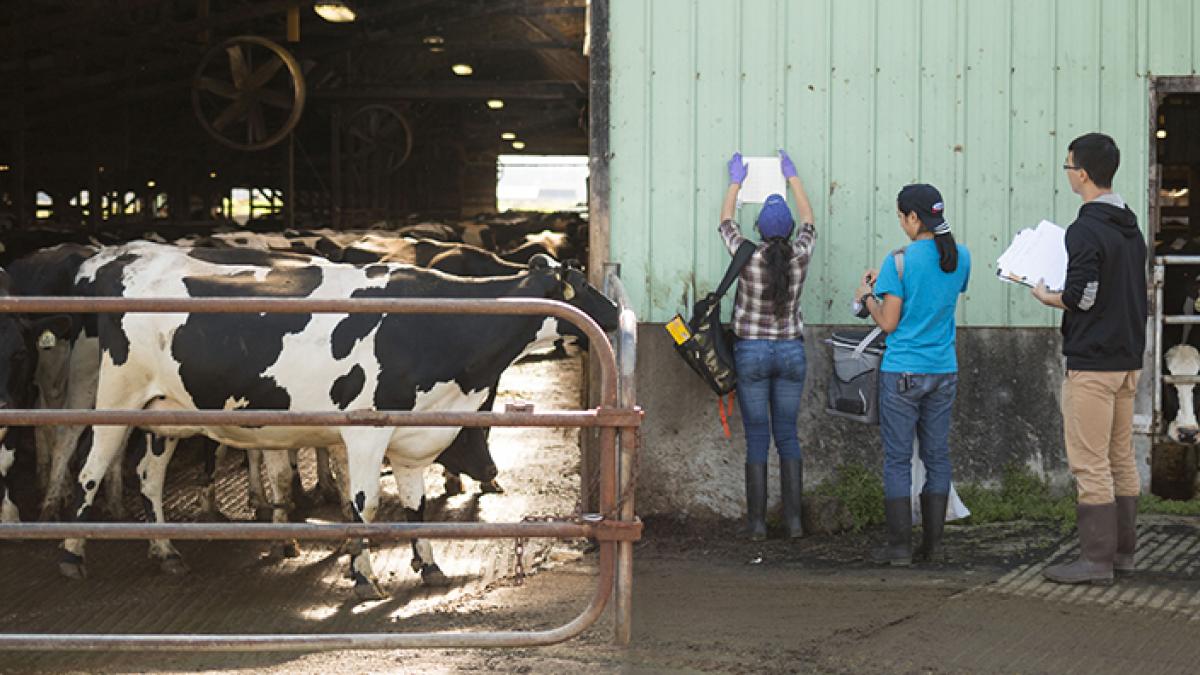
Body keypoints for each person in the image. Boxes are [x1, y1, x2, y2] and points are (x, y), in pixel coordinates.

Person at [1032, 132, 1146, 585]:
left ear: (1081, 173)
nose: (1068, 173)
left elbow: (1082, 297)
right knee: (1121, 457)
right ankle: (1123, 554)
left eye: (1067, 166)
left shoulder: (1084, 229)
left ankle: (1095, 561)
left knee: (1089, 461)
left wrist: (1045, 295)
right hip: (1128, 358)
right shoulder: (1129, 226)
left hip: (1093, 362)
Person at [856, 184, 971, 565]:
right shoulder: (962, 257)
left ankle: (900, 548)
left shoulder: (899, 260)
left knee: (898, 460)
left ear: (914, 218)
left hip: (902, 371)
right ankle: (934, 547)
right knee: (937, 457)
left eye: (902, 217)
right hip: (943, 370)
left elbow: (889, 323)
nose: (902, 223)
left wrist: (868, 296)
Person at [720, 150, 816, 540]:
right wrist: (792, 177)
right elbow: (810, 219)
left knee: (758, 437)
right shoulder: (802, 254)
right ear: (790, 229)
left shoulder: (747, 256)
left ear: (758, 228)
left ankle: (757, 525)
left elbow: (725, 222)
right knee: (788, 435)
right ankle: (793, 523)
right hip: (791, 351)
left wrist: (736, 181)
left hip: (752, 354)